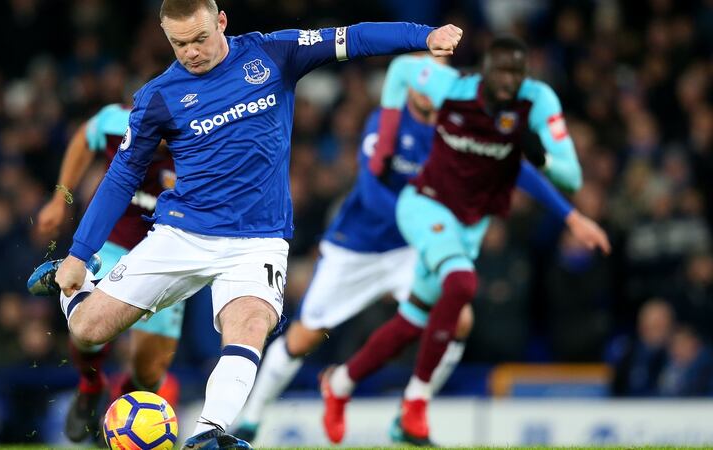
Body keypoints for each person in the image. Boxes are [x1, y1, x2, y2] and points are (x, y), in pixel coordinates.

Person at [49, 0, 464, 447]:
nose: (191, 52)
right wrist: (78, 253)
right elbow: (121, 176)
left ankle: (209, 436)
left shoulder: (273, 54)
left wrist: (425, 36)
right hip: (183, 234)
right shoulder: (158, 96)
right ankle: (70, 288)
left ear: (221, 21)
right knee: (87, 328)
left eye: (200, 39)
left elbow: (355, 37)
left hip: (258, 241)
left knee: (250, 324)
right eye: (179, 43)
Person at [231, 56, 608, 445]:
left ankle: (412, 413)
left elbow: (510, 163)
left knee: (460, 317)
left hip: (415, 246)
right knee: (305, 336)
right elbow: (372, 186)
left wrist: (570, 215)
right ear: (409, 86)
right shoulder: (385, 121)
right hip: (359, 245)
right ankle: (251, 418)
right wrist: (420, 218)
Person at [28, 103, 199, 443]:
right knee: (86, 329)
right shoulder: (118, 122)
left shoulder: (202, 144)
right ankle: (90, 385)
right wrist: (61, 199)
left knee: (149, 374)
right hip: (111, 245)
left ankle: (117, 415)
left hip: (166, 255)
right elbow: (82, 138)